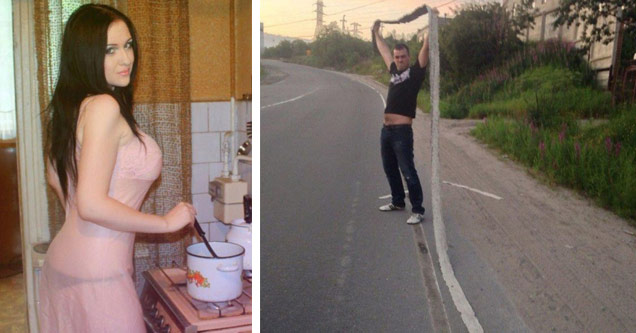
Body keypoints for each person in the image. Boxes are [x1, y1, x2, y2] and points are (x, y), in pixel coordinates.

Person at [39, 4, 195, 332]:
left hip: (65, 265)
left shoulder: (72, 109)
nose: (126, 59)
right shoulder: (104, 107)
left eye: (128, 45)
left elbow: (60, 184)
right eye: (110, 50)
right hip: (97, 272)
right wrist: (166, 223)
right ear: (84, 55)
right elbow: (91, 203)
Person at [372, 19, 430, 224]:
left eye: (402, 56)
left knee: (407, 170)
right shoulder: (394, 70)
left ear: (408, 57)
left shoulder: (415, 74)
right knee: (389, 168)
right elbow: (384, 51)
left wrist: (429, 33)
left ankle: (418, 210)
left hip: (401, 132)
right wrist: (377, 33)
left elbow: (424, 52)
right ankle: (397, 201)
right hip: (386, 130)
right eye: (397, 57)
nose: (399, 59)